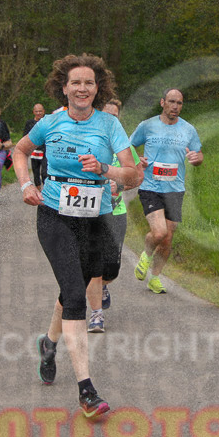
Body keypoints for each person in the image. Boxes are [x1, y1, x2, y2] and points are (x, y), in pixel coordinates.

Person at [11, 53, 143, 420]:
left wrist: (105, 169)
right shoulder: (50, 122)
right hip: (55, 215)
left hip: (95, 219)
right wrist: (25, 184)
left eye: (89, 83)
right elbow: (20, 150)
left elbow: (133, 175)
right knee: (75, 296)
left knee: (74, 287)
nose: (82, 88)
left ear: (98, 89)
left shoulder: (109, 125)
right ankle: (86, 389)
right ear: (64, 88)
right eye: (75, 83)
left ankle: (49, 343)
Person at [128, 88, 203, 294]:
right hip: (151, 187)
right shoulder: (147, 126)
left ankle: (155, 277)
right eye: (171, 102)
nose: (175, 107)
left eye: (179, 103)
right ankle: (145, 255)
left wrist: (197, 158)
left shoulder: (188, 129)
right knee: (159, 232)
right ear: (162, 102)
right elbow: (128, 147)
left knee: (168, 238)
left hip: (175, 189)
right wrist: (137, 159)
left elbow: (198, 154)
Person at [85, 99, 139, 332]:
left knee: (111, 268)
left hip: (115, 213)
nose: (110, 119)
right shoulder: (85, 140)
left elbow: (137, 177)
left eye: (114, 116)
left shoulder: (124, 146)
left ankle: (104, 284)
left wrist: (121, 186)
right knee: (92, 264)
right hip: (89, 213)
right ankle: (96, 315)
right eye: (106, 114)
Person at [23, 103, 47, 187]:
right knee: (35, 173)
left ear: (43, 111)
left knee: (44, 173)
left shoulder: (47, 122)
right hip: (34, 151)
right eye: (36, 111)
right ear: (33, 112)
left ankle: (45, 191)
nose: (38, 113)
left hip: (46, 150)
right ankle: (38, 190)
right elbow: (25, 137)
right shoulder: (29, 123)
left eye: (40, 111)